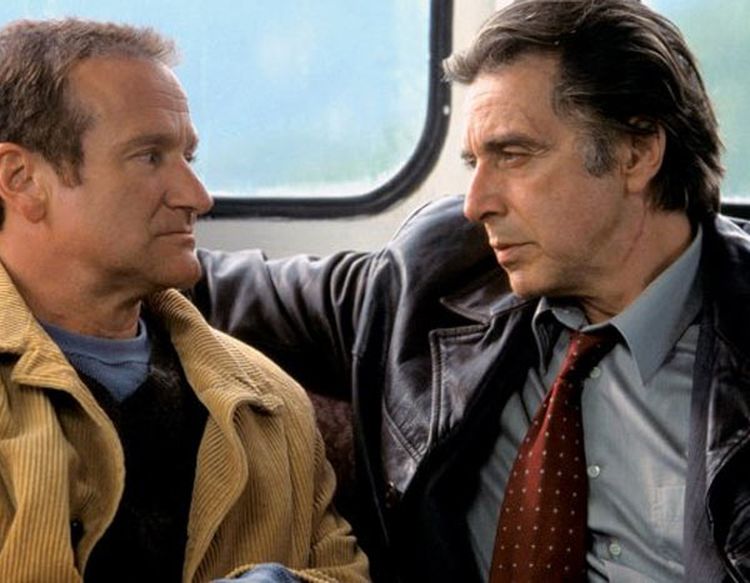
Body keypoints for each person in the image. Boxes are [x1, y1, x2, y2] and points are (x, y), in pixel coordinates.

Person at [193, 0, 750, 581]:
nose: (476, 203)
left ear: (637, 152)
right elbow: (221, 289)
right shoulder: (441, 273)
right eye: (473, 163)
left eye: (513, 155)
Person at [0, 18, 369, 583]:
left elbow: (343, 572)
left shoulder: (268, 402)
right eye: (149, 156)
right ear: (22, 179)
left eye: (188, 158)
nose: (197, 196)